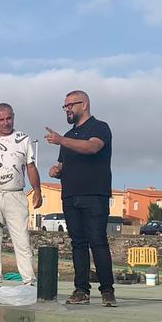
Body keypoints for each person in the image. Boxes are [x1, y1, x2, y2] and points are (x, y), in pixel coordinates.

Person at [44, 90, 116, 307]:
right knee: (78, 244)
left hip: (95, 194)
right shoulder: (68, 136)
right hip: (70, 195)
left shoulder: (99, 127)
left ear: (83, 104)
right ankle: (81, 289)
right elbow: (65, 164)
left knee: (98, 241)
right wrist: (57, 170)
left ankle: (107, 290)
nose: (67, 109)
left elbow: (93, 147)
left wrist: (60, 140)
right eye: (65, 106)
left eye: (70, 105)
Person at [0, 103, 41, 290]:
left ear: (13, 116)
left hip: (16, 195)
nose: (6, 123)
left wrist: (37, 190)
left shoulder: (23, 139)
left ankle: (28, 281)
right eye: (1, 119)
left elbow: (31, 166)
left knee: (21, 239)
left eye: (9, 118)